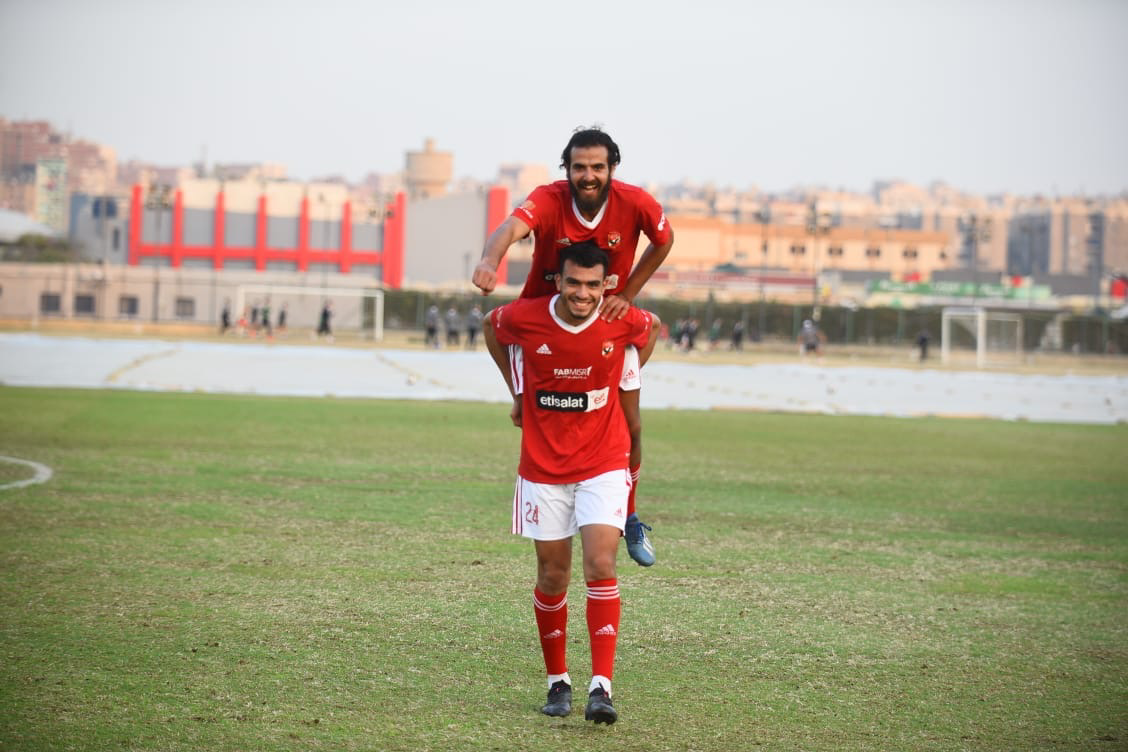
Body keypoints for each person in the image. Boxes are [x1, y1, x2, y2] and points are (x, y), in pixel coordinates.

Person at [472, 127, 674, 567]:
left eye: (597, 167)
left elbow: (664, 239)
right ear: (567, 169)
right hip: (543, 324)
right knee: (539, 417)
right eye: (579, 167)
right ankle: (554, 508)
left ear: (612, 168)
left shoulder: (636, 202)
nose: (588, 175)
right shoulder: (548, 198)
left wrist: (628, 295)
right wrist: (489, 261)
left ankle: (629, 514)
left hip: (606, 326)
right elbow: (510, 228)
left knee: (631, 425)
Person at [483, 243, 661, 725]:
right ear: (558, 281)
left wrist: (624, 370)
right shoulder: (526, 316)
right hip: (543, 468)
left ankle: (601, 687)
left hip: (603, 460)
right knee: (553, 576)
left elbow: (651, 329)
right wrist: (518, 392)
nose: (583, 293)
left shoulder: (620, 317)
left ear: (606, 285)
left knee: (601, 563)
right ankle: (556, 681)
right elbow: (490, 327)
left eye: (592, 285)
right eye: (574, 283)